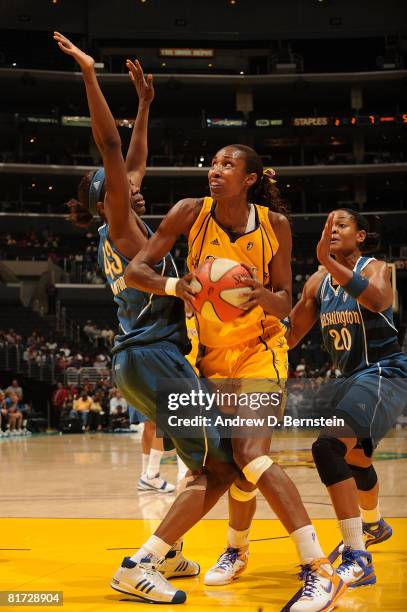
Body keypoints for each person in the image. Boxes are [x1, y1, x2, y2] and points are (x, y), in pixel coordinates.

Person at [54, 32, 239, 606]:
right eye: (122, 185)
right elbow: (112, 149)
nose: (135, 184)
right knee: (219, 468)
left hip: (139, 357)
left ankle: (171, 549)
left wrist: (145, 106)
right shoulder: (120, 222)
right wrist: (89, 73)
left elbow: (132, 157)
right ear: (105, 196)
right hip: (152, 354)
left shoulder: (131, 226)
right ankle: (140, 563)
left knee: (200, 462)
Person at [124, 145, 347, 611]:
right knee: (224, 467)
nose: (215, 170)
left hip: (259, 353)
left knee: (250, 454)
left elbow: (286, 302)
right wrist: (175, 285)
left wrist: (257, 294)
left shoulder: (274, 226)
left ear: (249, 178)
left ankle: (318, 571)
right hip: (207, 361)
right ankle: (235, 548)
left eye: (228, 165)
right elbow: (135, 270)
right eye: (213, 163)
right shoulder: (191, 212)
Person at [285, 209, 406, 586]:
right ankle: (374, 524)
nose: (332, 230)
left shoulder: (377, 268)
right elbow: (289, 336)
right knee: (356, 458)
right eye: (328, 225)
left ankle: (358, 556)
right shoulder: (317, 283)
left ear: (361, 235)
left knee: (327, 448)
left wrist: (326, 261)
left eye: (341, 225)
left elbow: (378, 301)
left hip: (386, 372)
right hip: (350, 379)